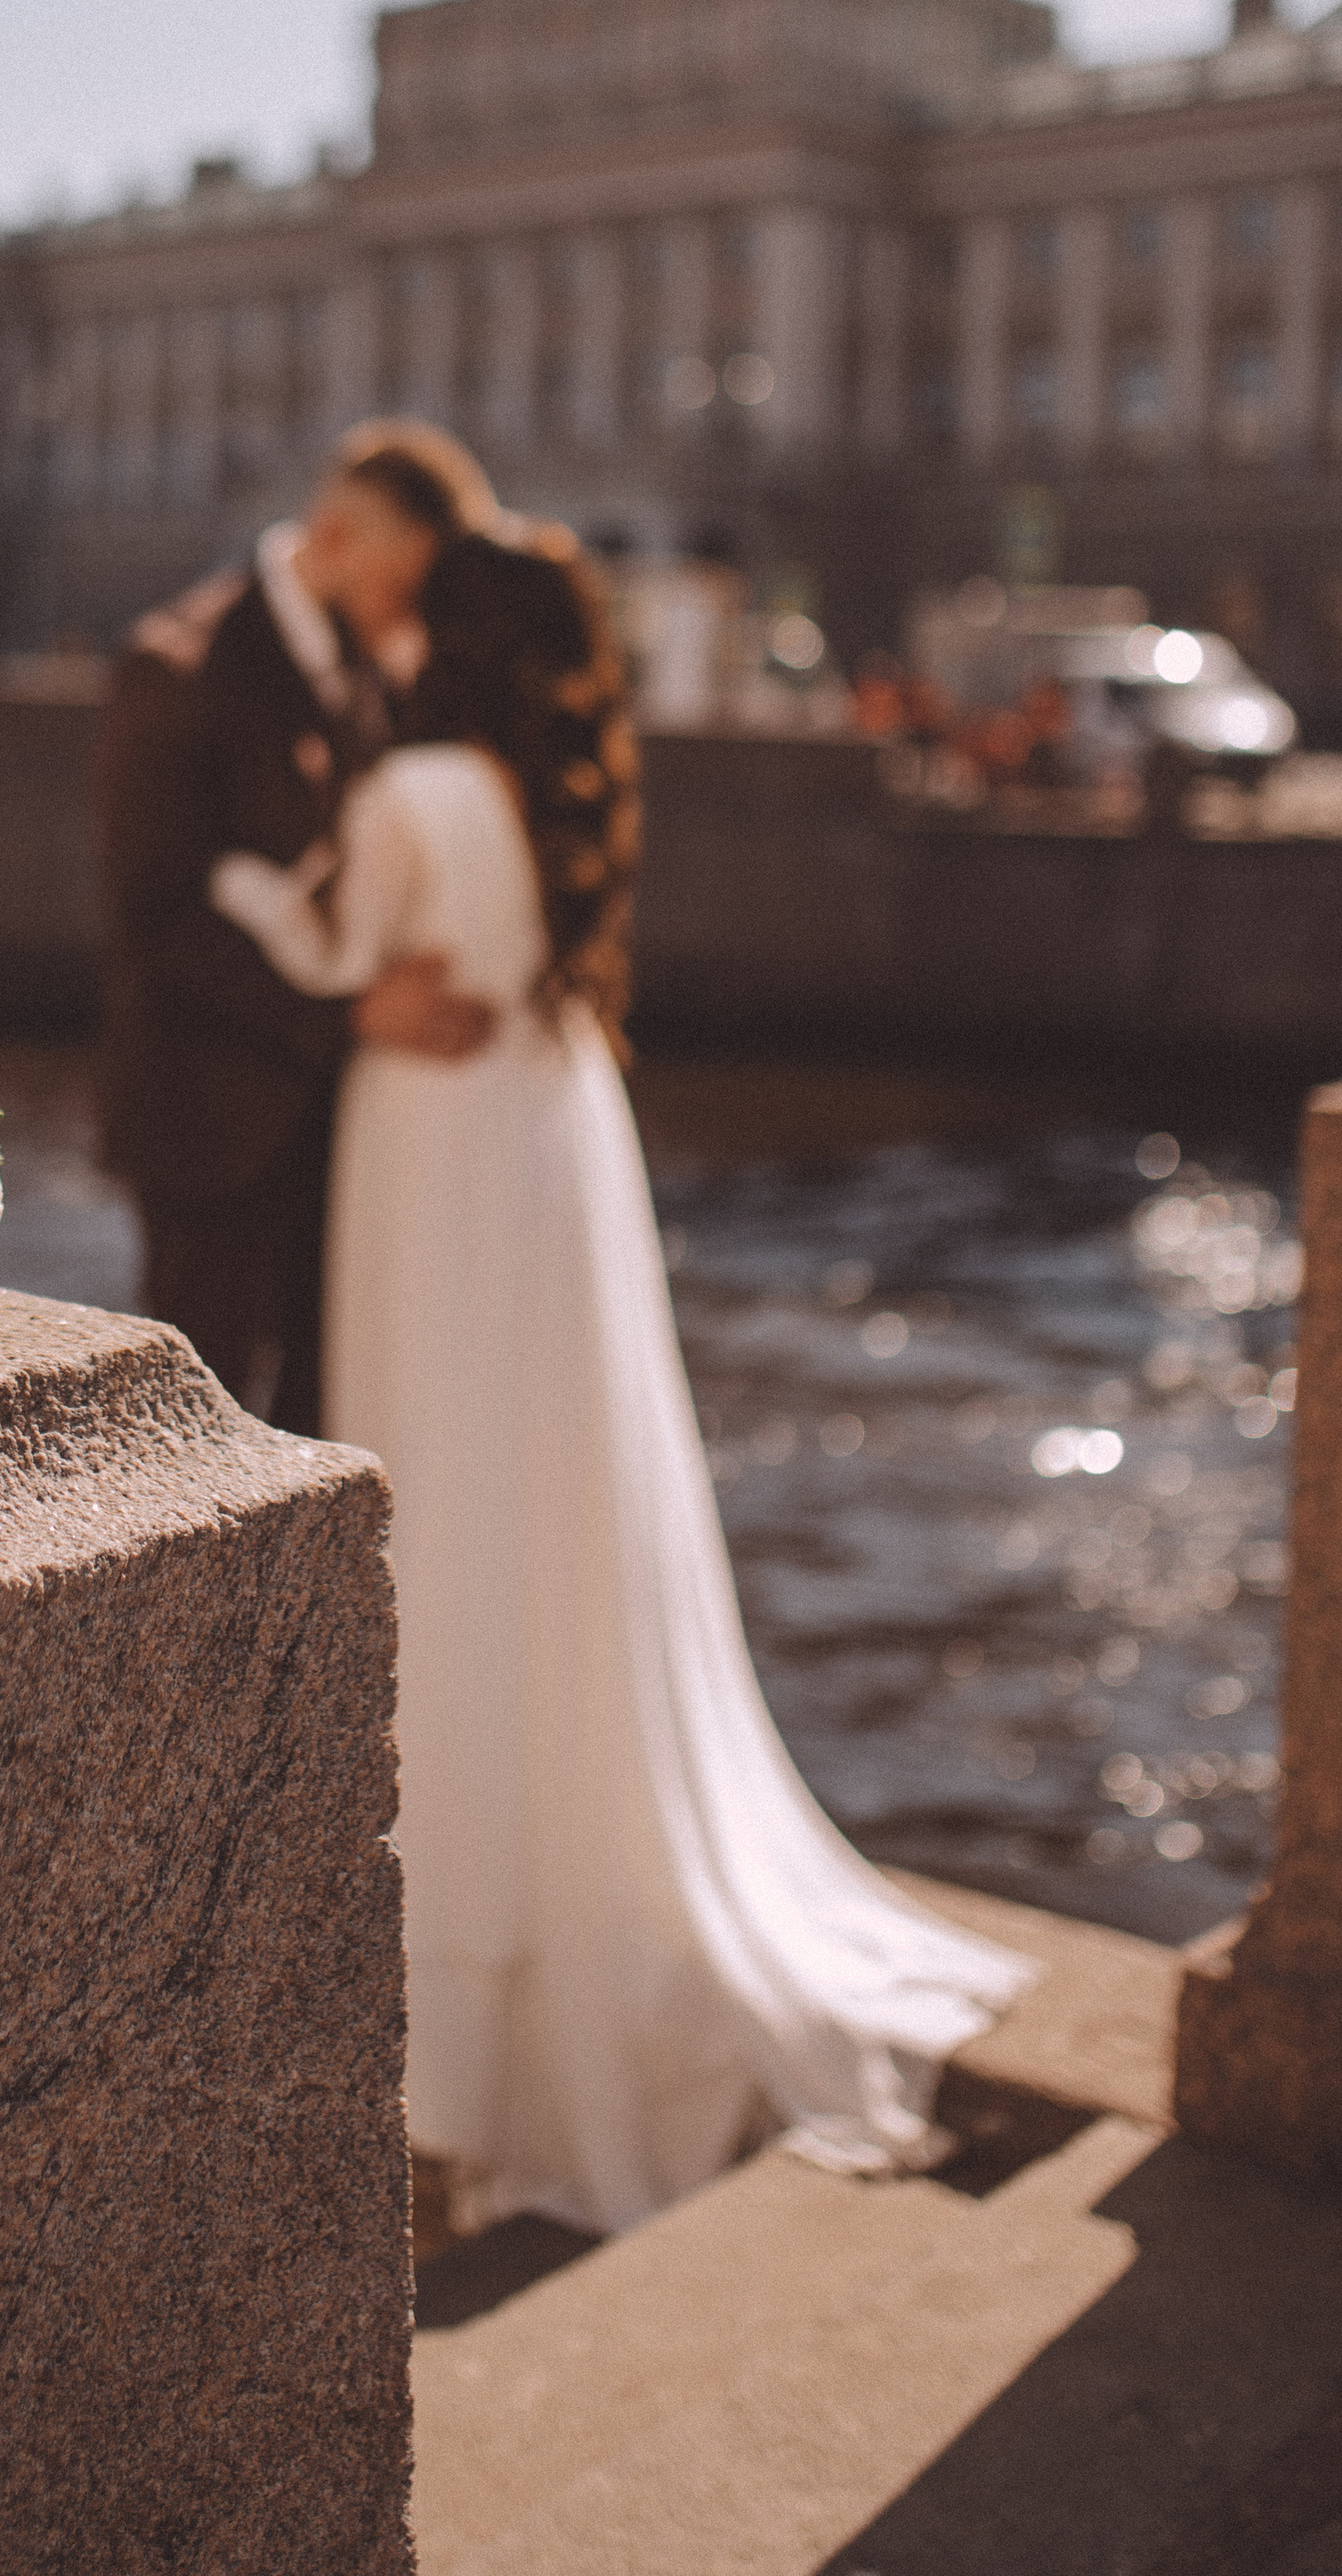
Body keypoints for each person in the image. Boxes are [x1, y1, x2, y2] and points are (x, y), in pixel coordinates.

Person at [207, 520, 1031, 2236]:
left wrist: (238, 889)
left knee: (429, 1483)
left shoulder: (413, 788)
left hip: (430, 1153)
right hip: (546, 1138)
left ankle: (463, 1960)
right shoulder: (553, 796)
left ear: (440, 630)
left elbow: (331, 947)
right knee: (550, 1492)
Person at [94, 424, 498, 1436]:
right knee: (194, 1439)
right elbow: (156, 917)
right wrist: (359, 1011)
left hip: (341, 1127)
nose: (417, 613)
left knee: (320, 1429)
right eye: (409, 585)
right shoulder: (175, 665)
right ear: (335, 537)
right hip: (207, 1124)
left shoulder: (375, 668)